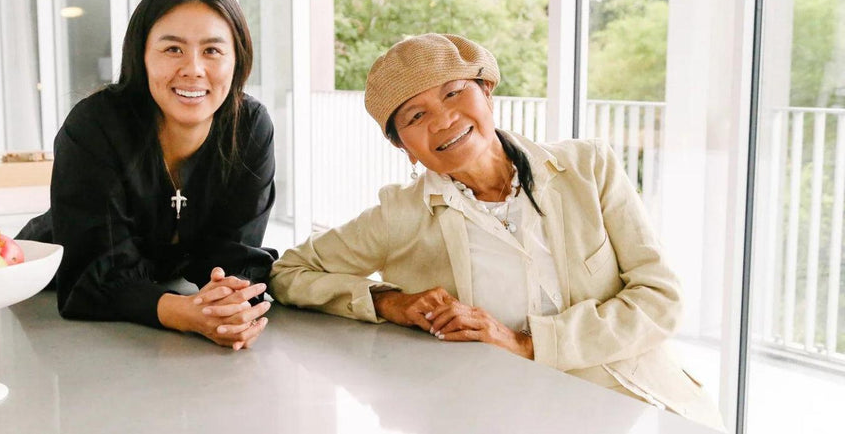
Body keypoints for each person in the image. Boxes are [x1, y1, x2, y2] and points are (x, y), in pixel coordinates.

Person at [270, 33, 724, 428]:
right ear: (402, 146)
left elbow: (660, 299)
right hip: (499, 413)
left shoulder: (589, 168)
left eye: (453, 93)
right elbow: (289, 272)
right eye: (415, 116)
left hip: (635, 399)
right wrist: (390, 302)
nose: (443, 120)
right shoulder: (401, 214)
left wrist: (525, 344)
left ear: (487, 92)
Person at [20, 0, 276, 350]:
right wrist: (187, 314)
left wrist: (228, 302)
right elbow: (94, 276)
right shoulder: (94, 126)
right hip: (45, 299)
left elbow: (235, 254)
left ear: (238, 60)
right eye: (173, 49)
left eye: (212, 50)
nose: (193, 69)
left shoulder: (250, 126)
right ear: (141, 54)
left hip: (162, 293)